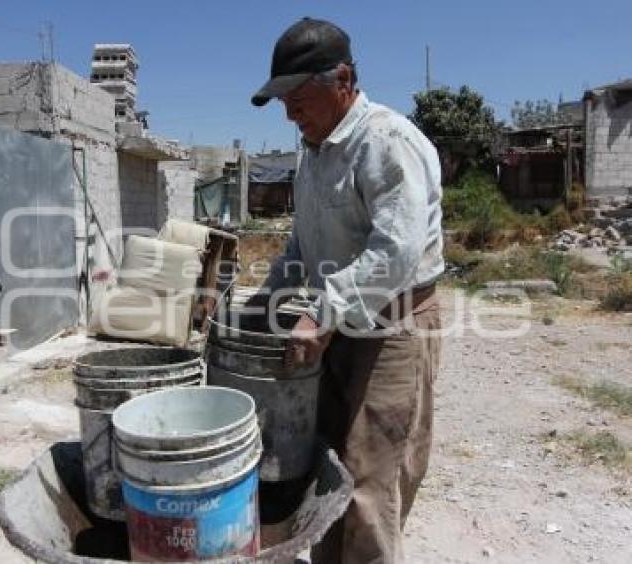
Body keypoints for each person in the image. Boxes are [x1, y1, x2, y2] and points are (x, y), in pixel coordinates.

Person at [248, 18, 444, 563]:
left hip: (391, 328)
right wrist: (262, 304)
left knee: (368, 483)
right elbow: (300, 248)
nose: (290, 112)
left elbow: (395, 251)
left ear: (344, 80)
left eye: (299, 97)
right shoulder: (314, 154)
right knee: (327, 469)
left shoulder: (385, 141)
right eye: (283, 101)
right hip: (338, 328)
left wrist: (323, 312)